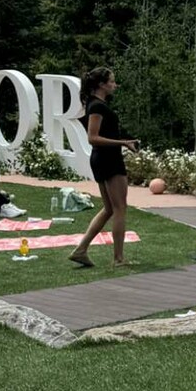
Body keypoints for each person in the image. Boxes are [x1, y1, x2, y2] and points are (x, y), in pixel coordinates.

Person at [69, 68, 138, 269]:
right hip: (108, 159)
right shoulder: (97, 106)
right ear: (101, 84)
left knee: (109, 209)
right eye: (112, 81)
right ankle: (118, 258)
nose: (115, 85)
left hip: (102, 158)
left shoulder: (95, 104)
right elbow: (93, 137)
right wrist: (122, 143)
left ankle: (81, 250)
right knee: (120, 208)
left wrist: (122, 141)